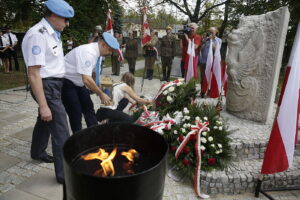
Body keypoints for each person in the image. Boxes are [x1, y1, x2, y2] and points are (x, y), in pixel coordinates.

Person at [21, 0, 74, 184]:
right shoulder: (38, 35)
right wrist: (43, 105)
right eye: (65, 20)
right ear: (53, 15)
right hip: (45, 86)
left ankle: (37, 152)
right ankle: (65, 175)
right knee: (61, 131)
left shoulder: (53, 33)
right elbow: (34, 73)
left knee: (45, 121)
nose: (67, 24)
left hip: (54, 85)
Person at [62, 32, 119, 134]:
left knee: (89, 108)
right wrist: (100, 94)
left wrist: (99, 87)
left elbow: (93, 73)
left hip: (79, 83)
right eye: (109, 49)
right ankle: (78, 138)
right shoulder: (88, 52)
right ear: (102, 44)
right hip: (67, 82)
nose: (110, 53)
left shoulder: (98, 54)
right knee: (76, 112)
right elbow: (86, 79)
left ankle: (95, 135)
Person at [199, 27, 222, 97]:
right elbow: (201, 49)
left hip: (213, 63)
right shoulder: (206, 40)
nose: (210, 33)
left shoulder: (218, 40)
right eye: (209, 31)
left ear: (216, 32)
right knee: (203, 77)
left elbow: (217, 49)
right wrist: (204, 42)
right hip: (204, 61)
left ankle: (209, 91)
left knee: (211, 77)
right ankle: (202, 91)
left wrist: (211, 41)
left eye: (212, 32)